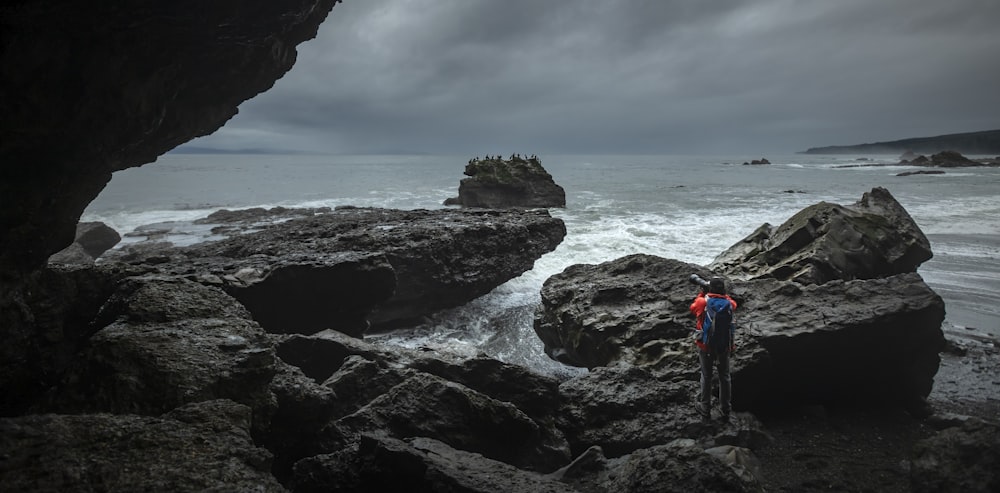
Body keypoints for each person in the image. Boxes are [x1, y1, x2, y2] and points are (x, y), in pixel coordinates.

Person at [689, 277, 737, 420]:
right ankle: (725, 409)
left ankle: (705, 408)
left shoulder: (703, 301)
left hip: (706, 346)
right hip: (724, 346)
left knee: (706, 376)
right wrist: (723, 295)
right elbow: (732, 303)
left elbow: (693, 309)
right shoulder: (729, 303)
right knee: (725, 377)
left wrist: (702, 294)